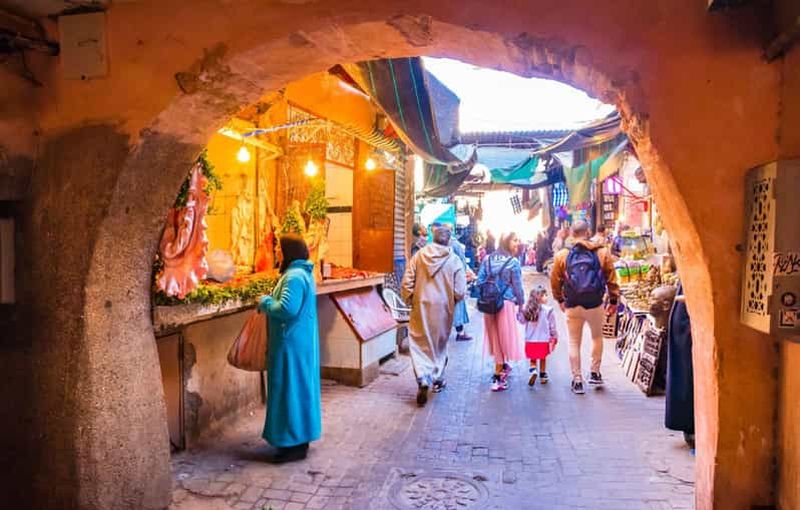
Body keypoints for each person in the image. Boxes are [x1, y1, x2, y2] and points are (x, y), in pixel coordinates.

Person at [257, 234, 321, 463]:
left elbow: (287, 309)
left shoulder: (293, 277)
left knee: (289, 390)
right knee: (299, 389)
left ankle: (292, 443)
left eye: (278, 248)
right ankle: (296, 440)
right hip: (298, 342)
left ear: (288, 252)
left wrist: (264, 302)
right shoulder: (304, 273)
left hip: (289, 345)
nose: (275, 250)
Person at [550, 221, 620, 395]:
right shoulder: (602, 252)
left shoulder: (562, 255)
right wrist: (613, 301)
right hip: (595, 303)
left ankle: (577, 380)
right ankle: (595, 372)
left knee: (574, 341)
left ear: (572, 233)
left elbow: (554, 280)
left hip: (572, 303)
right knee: (597, 337)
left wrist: (559, 299)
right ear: (588, 232)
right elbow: (611, 278)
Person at [401, 225, 467, 406]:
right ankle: (436, 377)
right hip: (443, 309)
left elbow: (407, 281)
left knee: (419, 343)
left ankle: (423, 376)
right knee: (438, 345)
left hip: (420, 306)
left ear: (433, 238)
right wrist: (452, 299)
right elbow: (460, 291)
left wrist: (410, 299)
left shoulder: (419, 256)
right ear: (448, 240)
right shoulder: (454, 260)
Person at [477, 232, 525, 392]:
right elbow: (518, 287)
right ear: (506, 242)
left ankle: (503, 365)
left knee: (496, 339)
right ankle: (497, 378)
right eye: (515, 240)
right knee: (503, 339)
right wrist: (521, 305)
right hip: (505, 303)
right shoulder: (513, 262)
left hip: (489, 304)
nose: (517, 243)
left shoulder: (487, 259)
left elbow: (480, 281)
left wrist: (490, 290)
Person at [665, 283, 695, 447]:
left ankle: (688, 427)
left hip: (683, 321)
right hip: (686, 322)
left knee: (684, 375)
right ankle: (690, 427)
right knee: (687, 376)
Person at [520, 285, 558, 386]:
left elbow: (522, 321)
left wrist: (520, 310)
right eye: (544, 295)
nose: (546, 297)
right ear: (539, 297)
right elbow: (552, 326)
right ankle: (542, 375)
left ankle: (533, 370)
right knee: (542, 357)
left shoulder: (527, 309)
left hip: (530, 341)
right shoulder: (548, 310)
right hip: (543, 340)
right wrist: (554, 336)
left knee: (533, 358)